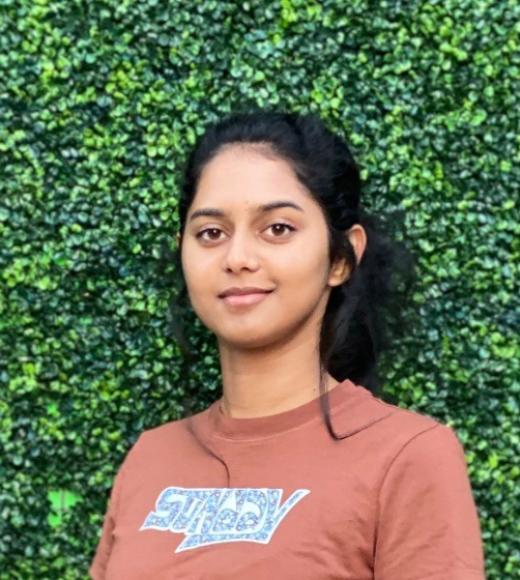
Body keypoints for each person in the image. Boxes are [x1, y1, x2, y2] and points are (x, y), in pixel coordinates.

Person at [90, 110, 486, 579]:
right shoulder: (150, 459)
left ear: (341, 257)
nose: (237, 258)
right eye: (211, 233)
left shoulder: (408, 457)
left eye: (277, 229)